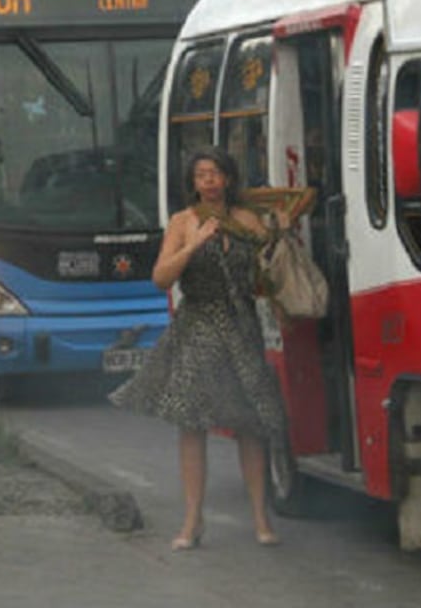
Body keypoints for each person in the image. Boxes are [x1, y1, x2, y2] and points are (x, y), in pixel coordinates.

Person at [109, 146, 289, 551]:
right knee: (192, 425)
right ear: (192, 183)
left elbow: (270, 272)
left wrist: (280, 233)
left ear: (228, 178)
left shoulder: (247, 220)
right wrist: (194, 244)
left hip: (241, 328)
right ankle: (192, 520)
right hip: (198, 328)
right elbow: (161, 278)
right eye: (201, 174)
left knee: (251, 424)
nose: (208, 181)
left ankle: (261, 518)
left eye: (215, 173)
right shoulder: (183, 222)